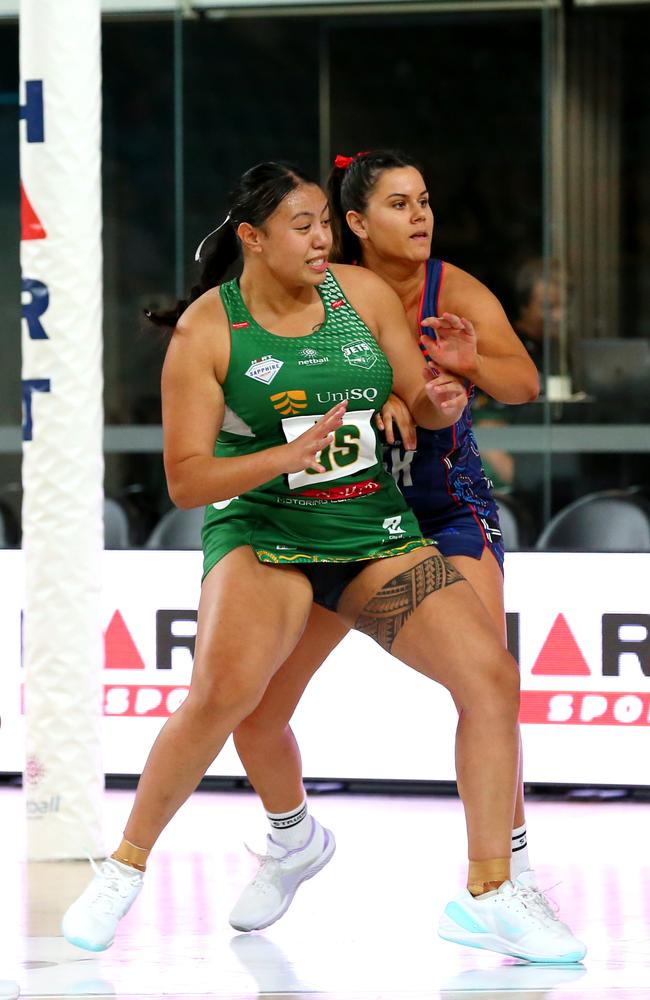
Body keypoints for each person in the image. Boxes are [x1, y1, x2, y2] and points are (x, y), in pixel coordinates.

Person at [61, 161, 584, 965]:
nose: (321, 239)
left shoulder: (360, 297)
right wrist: (287, 453)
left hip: (371, 529)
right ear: (253, 239)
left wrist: (439, 395)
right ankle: (128, 868)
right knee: (228, 698)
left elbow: (418, 398)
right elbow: (186, 478)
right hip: (266, 533)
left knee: (491, 677)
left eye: (324, 225)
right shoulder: (209, 331)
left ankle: (491, 891)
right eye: (303, 225)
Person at [228, 151, 581, 958]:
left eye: (425, 201)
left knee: (487, 680)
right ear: (355, 224)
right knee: (257, 704)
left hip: (443, 507)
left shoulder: (452, 289)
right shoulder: (325, 283)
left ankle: (502, 881)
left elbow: (522, 380)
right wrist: (384, 389)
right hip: (342, 512)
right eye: (398, 204)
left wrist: (467, 365)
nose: (420, 217)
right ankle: (292, 838)